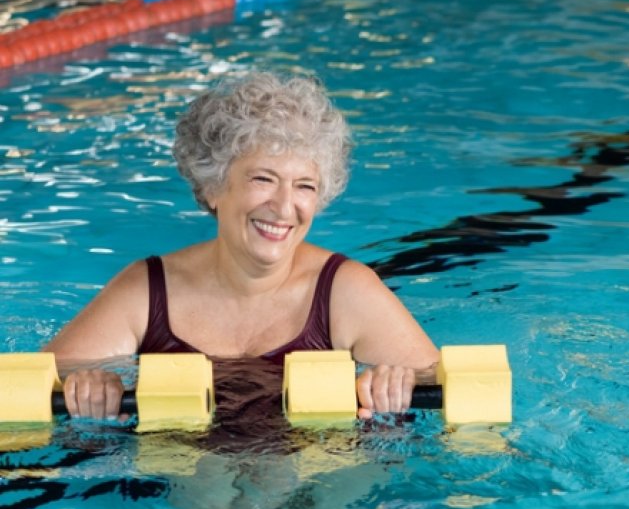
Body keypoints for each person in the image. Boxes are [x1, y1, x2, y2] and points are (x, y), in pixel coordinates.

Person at [44, 71, 438, 420]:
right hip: (176, 486)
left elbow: (446, 385)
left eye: (305, 186)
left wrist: (392, 381)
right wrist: (90, 386)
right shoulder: (147, 292)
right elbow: (30, 382)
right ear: (213, 186)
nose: (284, 207)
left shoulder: (345, 291)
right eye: (263, 179)